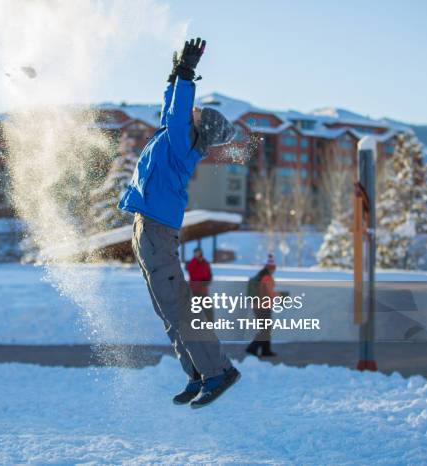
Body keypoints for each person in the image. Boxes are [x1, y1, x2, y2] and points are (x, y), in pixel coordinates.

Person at [118, 38, 239, 408]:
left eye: (198, 112)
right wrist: (174, 77)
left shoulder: (183, 139)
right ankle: (197, 373)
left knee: (178, 307)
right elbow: (170, 109)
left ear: (201, 127)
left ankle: (218, 371)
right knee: (166, 309)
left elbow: (176, 112)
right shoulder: (174, 139)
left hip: (156, 229)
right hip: (146, 228)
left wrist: (185, 73)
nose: (193, 111)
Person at [246, 254, 280, 357]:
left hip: (258, 306)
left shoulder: (260, 275)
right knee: (265, 330)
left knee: (265, 329)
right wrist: (280, 295)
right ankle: (252, 348)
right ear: (271, 268)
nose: (274, 270)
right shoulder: (266, 277)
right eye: (273, 268)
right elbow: (269, 293)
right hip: (263, 307)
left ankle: (266, 350)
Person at [186, 247, 213, 322]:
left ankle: (210, 326)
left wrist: (206, 282)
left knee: (208, 310)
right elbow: (190, 270)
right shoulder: (192, 263)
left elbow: (209, 275)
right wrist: (196, 260)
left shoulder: (205, 263)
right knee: (195, 311)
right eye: (196, 253)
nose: (198, 254)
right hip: (195, 291)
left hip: (204, 291)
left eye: (199, 253)